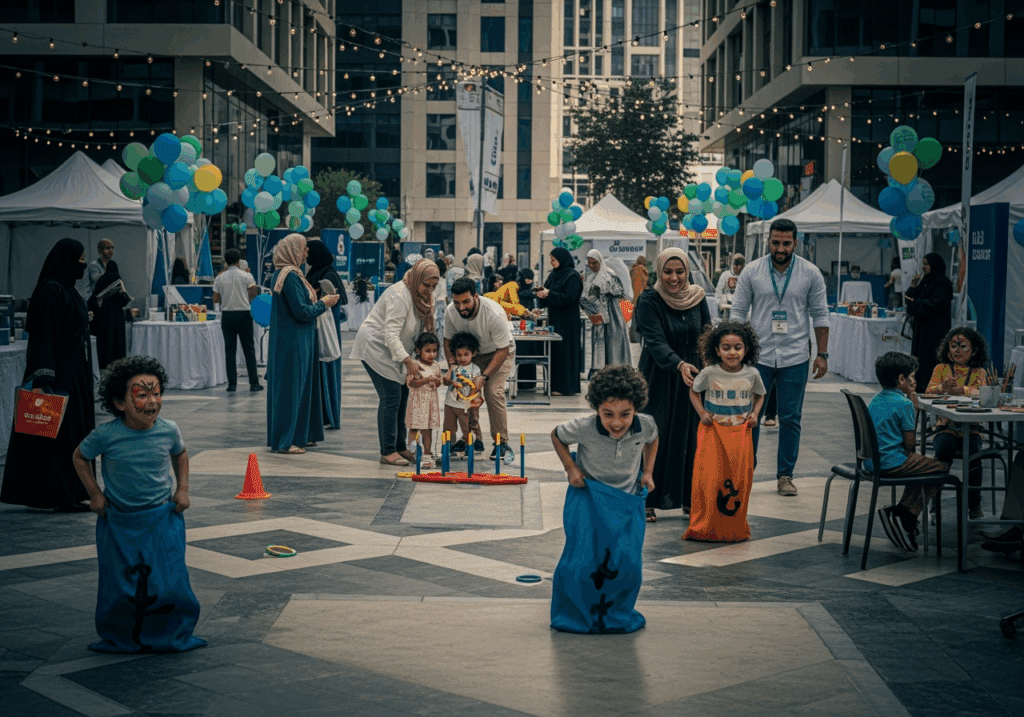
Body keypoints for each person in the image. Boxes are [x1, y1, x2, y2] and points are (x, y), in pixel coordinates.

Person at [71, 356, 205, 653]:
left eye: (157, 393)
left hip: (162, 520)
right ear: (120, 403)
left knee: (170, 580)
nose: (152, 402)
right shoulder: (106, 435)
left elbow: (180, 454)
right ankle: (123, 634)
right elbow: (80, 456)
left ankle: (172, 632)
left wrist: (183, 489)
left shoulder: (169, 429)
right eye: (142, 395)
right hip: (119, 522)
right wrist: (95, 493)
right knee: (120, 584)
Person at [728, 218, 830, 497]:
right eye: (775, 242)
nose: (780, 248)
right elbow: (737, 312)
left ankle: (785, 475)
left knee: (791, 418)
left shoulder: (810, 273)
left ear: (795, 243)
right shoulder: (752, 271)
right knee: (751, 417)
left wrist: (822, 354)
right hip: (757, 356)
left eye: (786, 243)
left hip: (795, 355)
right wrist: (734, 352)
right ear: (768, 242)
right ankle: (747, 471)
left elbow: (821, 314)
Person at [1, 239, 93, 511]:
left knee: (70, 433)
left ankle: (73, 491)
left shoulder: (65, 289)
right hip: (59, 376)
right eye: (80, 259)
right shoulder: (51, 291)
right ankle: (60, 494)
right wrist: (44, 379)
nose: (83, 265)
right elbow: (46, 337)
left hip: (74, 375)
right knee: (58, 435)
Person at [634, 248, 710, 522]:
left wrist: (711, 368)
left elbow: (706, 334)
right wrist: (678, 364)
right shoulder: (649, 300)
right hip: (660, 373)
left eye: (680, 272)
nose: (674, 278)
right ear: (659, 271)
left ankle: (689, 498)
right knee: (656, 434)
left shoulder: (698, 296)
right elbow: (655, 340)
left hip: (693, 376)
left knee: (690, 435)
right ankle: (647, 498)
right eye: (668, 271)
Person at [351, 259, 440, 466]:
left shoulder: (420, 298)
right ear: (416, 277)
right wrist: (408, 361)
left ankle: (401, 447)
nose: (429, 290)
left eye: (434, 286)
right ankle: (388, 450)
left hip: (396, 351)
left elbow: (420, 331)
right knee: (391, 397)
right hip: (376, 347)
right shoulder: (400, 295)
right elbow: (390, 333)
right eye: (426, 285)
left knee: (403, 396)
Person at [685, 322, 766, 542]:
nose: (732, 353)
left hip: (739, 435)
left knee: (738, 479)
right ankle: (706, 525)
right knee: (709, 479)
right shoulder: (709, 373)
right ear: (716, 350)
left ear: (746, 349)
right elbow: (694, 392)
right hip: (713, 433)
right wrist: (702, 412)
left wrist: (755, 414)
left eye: (737, 347)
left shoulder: (752, 373)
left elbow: (760, 395)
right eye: (726, 347)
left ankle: (733, 526)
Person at [266, 234, 340, 454]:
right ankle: (287, 440)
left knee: (301, 387)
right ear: (292, 250)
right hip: (294, 341)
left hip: (296, 339)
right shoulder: (289, 276)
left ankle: (300, 435)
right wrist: (324, 304)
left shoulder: (287, 274)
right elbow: (301, 311)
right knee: (293, 388)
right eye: (303, 248)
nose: (306, 253)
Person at [868, 352, 949, 553]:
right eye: (912, 377)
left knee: (924, 469)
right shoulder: (904, 403)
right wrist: (913, 406)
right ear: (901, 379)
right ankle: (909, 513)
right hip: (891, 462)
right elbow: (910, 445)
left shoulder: (875, 399)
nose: (914, 381)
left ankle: (904, 510)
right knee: (941, 469)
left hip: (871, 462)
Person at [551, 364, 657, 494]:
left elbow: (653, 439)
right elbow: (557, 435)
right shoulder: (584, 427)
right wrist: (570, 468)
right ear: (597, 409)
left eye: (625, 414)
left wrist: (648, 472)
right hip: (590, 496)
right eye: (608, 414)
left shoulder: (646, 425)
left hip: (628, 498)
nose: (616, 423)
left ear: (636, 410)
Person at [444, 277, 515, 462]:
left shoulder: (492, 313)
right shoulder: (451, 312)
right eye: (457, 302)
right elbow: (447, 340)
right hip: (472, 354)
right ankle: (471, 438)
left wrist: (484, 376)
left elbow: (503, 349)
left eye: (466, 301)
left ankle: (501, 442)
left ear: (476, 296)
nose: (461, 308)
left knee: (492, 392)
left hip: (498, 352)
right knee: (464, 392)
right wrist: (452, 366)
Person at [925, 326, 992, 519]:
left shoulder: (979, 372)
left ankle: (974, 503)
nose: (958, 350)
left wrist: (963, 390)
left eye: (963, 346)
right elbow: (928, 392)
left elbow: (984, 394)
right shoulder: (941, 369)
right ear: (947, 349)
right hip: (946, 427)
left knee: (974, 455)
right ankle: (935, 503)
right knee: (943, 451)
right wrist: (942, 387)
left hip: (971, 430)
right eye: (954, 346)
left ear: (974, 350)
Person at [305, 240, 347, 428]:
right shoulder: (316, 271)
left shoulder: (328, 273)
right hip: (319, 326)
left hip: (326, 329)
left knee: (326, 370)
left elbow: (336, 301)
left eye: (308, 251)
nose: (306, 255)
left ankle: (328, 414)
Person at [213, 248, 261, 393]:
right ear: (239, 261)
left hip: (227, 315)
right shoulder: (247, 276)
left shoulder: (219, 277)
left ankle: (232, 384)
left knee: (230, 350)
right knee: (249, 349)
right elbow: (254, 294)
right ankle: (253, 383)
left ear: (225, 262)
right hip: (244, 314)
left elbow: (216, 299)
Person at [537, 247, 583, 396]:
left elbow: (570, 297)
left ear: (562, 259)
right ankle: (554, 385)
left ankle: (566, 387)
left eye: (554, 259)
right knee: (555, 352)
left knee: (566, 352)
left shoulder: (572, 276)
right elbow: (548, 291)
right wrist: (541, 294)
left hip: (568, 321)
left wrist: (549, 293)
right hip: (554, 319)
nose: (552, 262)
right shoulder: (554, 274)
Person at [905, 252, 953, 388]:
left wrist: (917, 302)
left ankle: (931, 389)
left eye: (926, 264)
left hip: (935, 331)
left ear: (934, 265)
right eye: (923, 264)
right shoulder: (925, 281)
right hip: (921, 330)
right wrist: (913, 287)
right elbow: (909, 302)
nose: (923, 267)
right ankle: (918, 389)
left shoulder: (943, 283)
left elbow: (935, 305)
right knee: (919, 362)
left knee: (931, 361)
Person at [583, 249, 632, 369]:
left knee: (614, 344)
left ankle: (617, 370)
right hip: (599, 317)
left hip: (613, 316)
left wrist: (606, 289)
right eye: (590, 263)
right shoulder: (589, 277)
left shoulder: (609, 275)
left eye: (594, 263)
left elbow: (620, 292)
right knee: (600, 346)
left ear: (600, 262)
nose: (592, 266)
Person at [405, 332, 444, 468]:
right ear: (418, 350)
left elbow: (439, 381)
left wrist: (437, 382)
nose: (431, 354)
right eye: (427, 351)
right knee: (414, 428)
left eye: (434, 351)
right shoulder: (415, 365)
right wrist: (427, 380)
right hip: (417, 402)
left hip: (430, 403)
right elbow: (411, 383)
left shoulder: (436, 366)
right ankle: (413, 451)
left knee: (428, 429)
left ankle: (427, 454)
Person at [444, 331, 483, 459]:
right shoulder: (453, 367)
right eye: (459, 355)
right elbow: (445, 382)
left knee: (466, 427)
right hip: (450, 402)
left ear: (474, 353)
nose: (462, 358)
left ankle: (469, 447)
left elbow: (475, 387)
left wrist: (469, 399)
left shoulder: (475, 369)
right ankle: (448, 447)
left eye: (466, 354)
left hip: (465, 403)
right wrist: (449, 379)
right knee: (449, 427)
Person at [88, 260, 132, 370]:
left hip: (103, 316)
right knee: (117, 340)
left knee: (105, 340)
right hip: (117, 316)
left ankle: (104, 364)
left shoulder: (101, 280)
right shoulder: (117, 279)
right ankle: (118, 364)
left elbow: (93, 299)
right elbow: (124, 300)